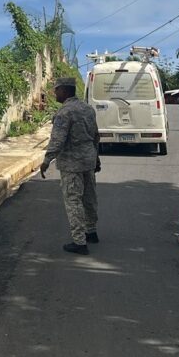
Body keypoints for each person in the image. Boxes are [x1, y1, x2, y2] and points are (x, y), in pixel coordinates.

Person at [40, 76, 101, 255]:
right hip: (89, 160)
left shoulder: (64, 112)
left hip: (71, 164)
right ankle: (92, 232)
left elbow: (57, 140)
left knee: (73, 200)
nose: (54, 93)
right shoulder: (88, 109)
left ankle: (79, 242)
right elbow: (96, 135)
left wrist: (46, 161)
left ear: (64, 91)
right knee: (89, 198)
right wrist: (96, 158)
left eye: (56, 89)